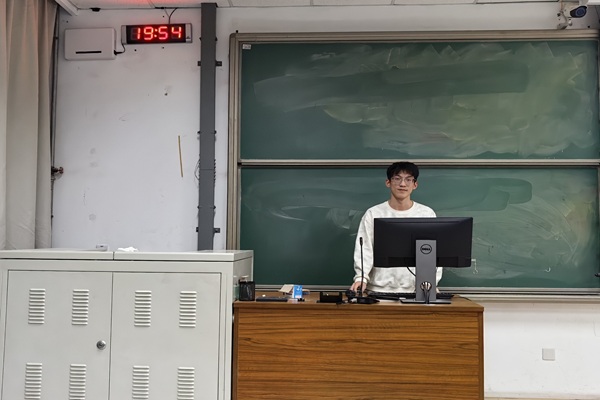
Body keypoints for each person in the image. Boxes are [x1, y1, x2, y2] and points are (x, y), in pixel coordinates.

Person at [350, 161, 442, 294]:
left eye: (408, 179)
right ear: (388, 182)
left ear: (415, 185)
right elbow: (364, 248)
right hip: (378, 291)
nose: (402, 184)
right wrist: (361, 277)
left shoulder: (426, 214)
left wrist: (431, 281)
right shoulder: (374, 213)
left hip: (417, 291)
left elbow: (434, 253)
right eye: (397, 178)